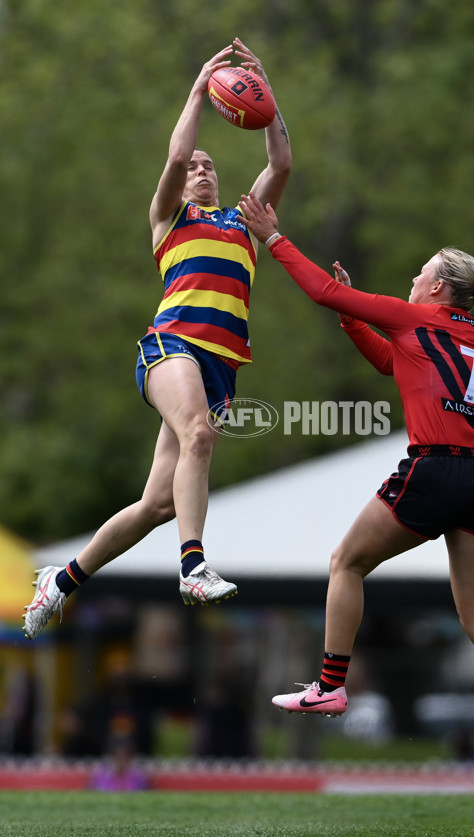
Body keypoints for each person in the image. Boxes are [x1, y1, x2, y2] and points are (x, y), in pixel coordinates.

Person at [237, 193, 474, 790]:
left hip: (436, 469)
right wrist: (355, 320)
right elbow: (393, 363)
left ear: (435, 289)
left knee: (345, 562)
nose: (412, 276)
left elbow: (324, 292)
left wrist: (274, 238)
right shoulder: (472, 335)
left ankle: (328, 685)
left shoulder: (415, 317)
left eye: (420, 271)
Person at [23, 40, 292, 640]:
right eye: (195, 166)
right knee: (199, 433)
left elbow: (280, 167)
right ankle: (193, 566)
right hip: (171, 347)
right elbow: (173, 156)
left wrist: (268, 99)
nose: (200, 169)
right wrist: (199, 89)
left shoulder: (244, 223)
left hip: (221, 365)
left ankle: (61, 580)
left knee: (159, 504)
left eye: (209, 166)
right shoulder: (172, 220)